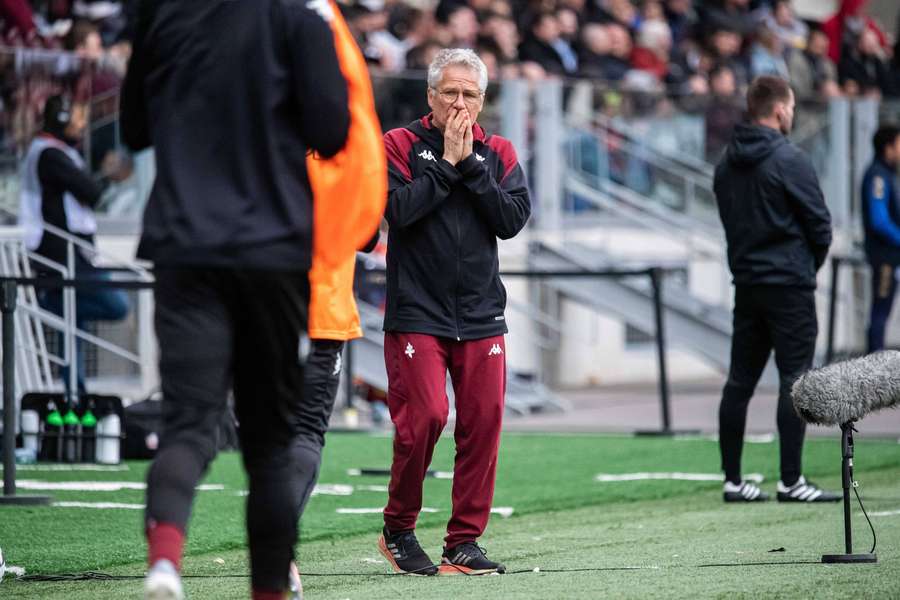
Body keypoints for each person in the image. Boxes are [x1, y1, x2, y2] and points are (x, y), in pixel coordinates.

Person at [120, 0, 380, 598]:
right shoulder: (300, 18)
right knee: (268, 446)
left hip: (183, 244)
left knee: (187, 424)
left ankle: (164, 562)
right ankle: (270, 587)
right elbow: (332, 132)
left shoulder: (163, 15)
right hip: (272, 250)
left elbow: (134, 130)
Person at [378, 48, 530, 576]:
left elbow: (511, 219)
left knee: (483, 424)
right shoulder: (398, 145)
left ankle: (462, 542)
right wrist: (445, 164)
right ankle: (398, 529)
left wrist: (469, 165)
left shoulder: (499, 151)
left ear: (483, 101)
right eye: (450, 92)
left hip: (482, 314)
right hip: (417, 311)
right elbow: (396, 211)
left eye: (470, 94)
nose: (460, 103)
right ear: (430, 97)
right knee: (425, 419)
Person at [714, 76, 839, 504]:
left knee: (739, 381)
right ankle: (791, 481)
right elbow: (820, 226)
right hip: (789, 285)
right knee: (795, 380)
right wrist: (806, 266)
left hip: (747, 284)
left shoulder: (726, 161)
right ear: (781, 110)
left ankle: (733, 481)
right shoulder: (790, 158)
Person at [19, 94, 129, 400]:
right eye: (78, 119)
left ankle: (74, 393)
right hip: (63, 255)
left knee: (74, 323)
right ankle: (45, 303)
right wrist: (108, 174)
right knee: (117, 305)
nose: (83, 126)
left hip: (69, 254)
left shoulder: (54, 152)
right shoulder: (50, 154)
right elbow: (91, 191)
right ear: (63, 120)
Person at [861, 125, 900, 352]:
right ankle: (874, 373)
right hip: (884, 257)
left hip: (889, 256)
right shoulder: (877, 175)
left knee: (881, 311)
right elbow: (879, 220)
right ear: (888, 147)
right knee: (880, 313)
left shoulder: (887, 174)